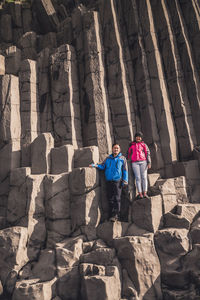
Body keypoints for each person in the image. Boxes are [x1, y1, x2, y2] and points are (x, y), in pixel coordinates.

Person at [89, 144, 128, 222]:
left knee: (117, 198)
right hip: (109, 181)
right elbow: (102, 166)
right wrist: (95, 165)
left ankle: (116, 215)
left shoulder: (122, 159)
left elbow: (125, 170)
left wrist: (125, 180)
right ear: (112, 149)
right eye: (114, 148)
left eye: (117, 148)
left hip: (117, 181)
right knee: (110, 198)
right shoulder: (108, 158)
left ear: (119, 150)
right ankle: (111, 215)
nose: (116, 149)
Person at [127, 132, 151, 199]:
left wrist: (149, 162)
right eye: (137, 136)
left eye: (139, 137)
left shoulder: (143, 145)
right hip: (134, 163)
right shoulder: (131, 145)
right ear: (135, 137)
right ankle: (140, 193)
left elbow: (147, 153)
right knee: (138, 178)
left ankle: (145, 193)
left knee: (144, 177)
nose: (138, 138)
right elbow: (128, 153)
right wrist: (126, 160)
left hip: (143, 162)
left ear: (141, 138)